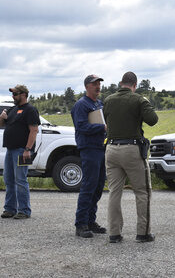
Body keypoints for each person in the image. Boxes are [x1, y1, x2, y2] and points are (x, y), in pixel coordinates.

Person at [103, 72, 158, 243]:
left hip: (111, 149)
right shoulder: (138, 99)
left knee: (114, 192)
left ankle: (114, 233)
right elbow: (153, 120)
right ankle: (143, 233)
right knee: (142, 192)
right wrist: (144, 104)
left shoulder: (108, 100)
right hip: (131, 149)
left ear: (121, 83)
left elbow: (106, 119)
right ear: (135, 85)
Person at [0, 84, 40, 219]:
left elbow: (34, 130)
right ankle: (9, 209)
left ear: (23, 95)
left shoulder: (30, 110)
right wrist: (2, 116)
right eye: (12, 94)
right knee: (9, 179)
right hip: (10, 150)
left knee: (20, 180)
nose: (13, 96)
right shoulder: (13, 109)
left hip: (22, 150)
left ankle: (24, 210)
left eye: (15, 94)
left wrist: (27, 149)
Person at [71, 74, 107, 238]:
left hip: (100, 148)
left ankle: (91, 220)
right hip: (89, 149)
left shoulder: (98, 103)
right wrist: (102, 127)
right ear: (87, 86)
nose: (98, 86)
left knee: (98, 186)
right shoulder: (81, 105)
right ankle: (81, 224)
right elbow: (82, 127)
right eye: (94, 84)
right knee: (88, 186)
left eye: (99, 84)